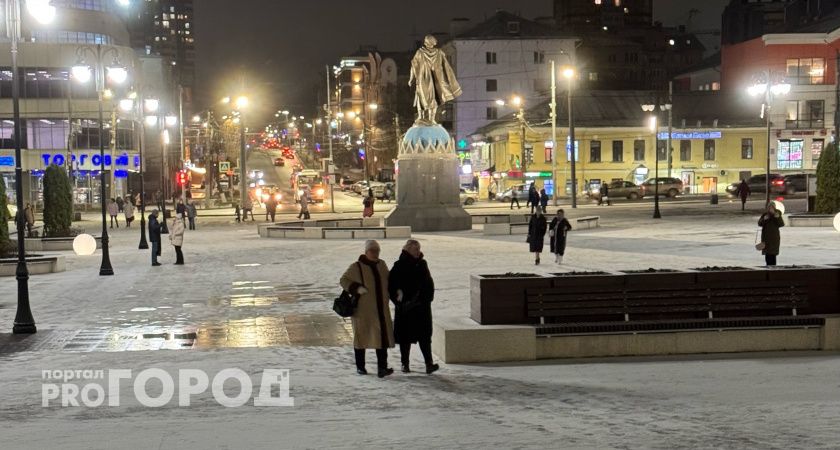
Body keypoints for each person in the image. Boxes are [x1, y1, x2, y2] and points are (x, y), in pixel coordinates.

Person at [339, 240, 395, 378]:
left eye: (377, 250)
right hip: (363, 311)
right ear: (366, 252)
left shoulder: (382, 264)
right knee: (361, 337)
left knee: (382, 338)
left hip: (381, 309)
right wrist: (356, 288)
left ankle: (382, 368)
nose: (375, 253)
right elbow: (344, 280)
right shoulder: (357, 266)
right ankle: (360, 366)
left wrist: (395, 292)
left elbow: (389, 281)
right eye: (372, 250)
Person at [388, 239, 439, 375]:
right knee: (405, 338)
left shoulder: (422, 264)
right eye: (415, 249)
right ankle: (405, 364)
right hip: (406, 308)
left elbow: (429, 283)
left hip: (422, 307)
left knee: (425, 337)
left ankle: (429, 364)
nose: (418, 251)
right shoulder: (399, 265)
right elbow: (391, 285)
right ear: (408, 250)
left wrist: (427, 298)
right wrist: (399, 299)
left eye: (419, 248)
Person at [758, 202, 785, 266]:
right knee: (767, 255)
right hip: (766, 238)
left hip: (774, 238)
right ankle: (768, 268)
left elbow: (781, 224)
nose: (771, 209)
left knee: (773, 255)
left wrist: (777, 218)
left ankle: (773, 269)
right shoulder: (765, 215)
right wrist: (764, 219)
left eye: (772, 207)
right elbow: (759, 223)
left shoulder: (777, 214)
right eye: (770, 207)